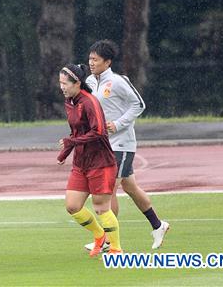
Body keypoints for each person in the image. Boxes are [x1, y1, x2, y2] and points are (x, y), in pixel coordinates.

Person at [86, 39, 169, 251]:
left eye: (96, 59)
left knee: (108, 189)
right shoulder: (89, 81)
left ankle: (106, 239)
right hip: (103, 145)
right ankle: (158, 225)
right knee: (130, 187)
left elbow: (138, 104)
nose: (92, 63)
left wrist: (118, 124)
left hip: (121, 144)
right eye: (90, 59)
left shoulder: (118, 81)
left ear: (108, 62)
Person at [57, 62, 122, 256]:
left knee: (102, 207)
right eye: (60, 83)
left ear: (77, 83)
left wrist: (71, 142)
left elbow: (100, 132)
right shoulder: (69, 102)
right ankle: (99, 235)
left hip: (100, 162)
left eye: (65, 83)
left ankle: (116, 248)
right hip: (81, 162)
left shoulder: (89, 102)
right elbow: (75, 132)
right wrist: (65, 152)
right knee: (72, 206)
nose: (62, 87)